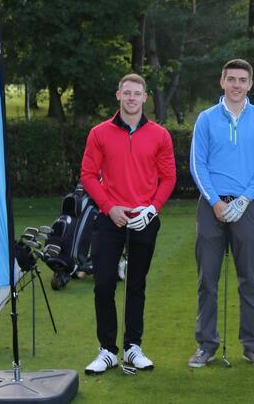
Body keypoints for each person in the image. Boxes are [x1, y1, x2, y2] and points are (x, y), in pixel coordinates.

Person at [80, 73, 177, 375]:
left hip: (144, 219)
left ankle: (133, 347)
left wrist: (153, 208)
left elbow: (168, 177)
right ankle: (108, 350)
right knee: (104, 283)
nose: (132, 98)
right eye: (127, 93)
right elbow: (87, 175)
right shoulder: (99, 133)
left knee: (136, 284)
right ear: (118, 96)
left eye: (137, 93)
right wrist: (109, 208)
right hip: (111, 219)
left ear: (145, 98)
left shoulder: (160, 135)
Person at [188, 59, 254, 368]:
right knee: (207, 280)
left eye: (242, 80)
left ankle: (252, 345)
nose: (237, 85)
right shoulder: (206, 119)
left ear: (250, 84)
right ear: (222, 82)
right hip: (211, 207)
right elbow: (198, 165)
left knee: (248, 280)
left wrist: (243, 200)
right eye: (231, 79)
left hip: (246, 207)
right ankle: (206, 344)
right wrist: (215, 201)